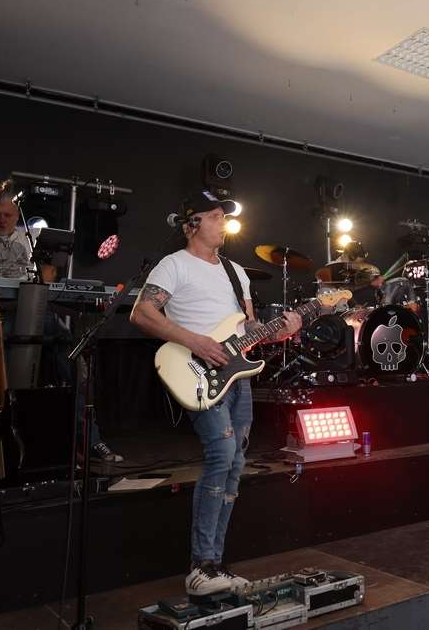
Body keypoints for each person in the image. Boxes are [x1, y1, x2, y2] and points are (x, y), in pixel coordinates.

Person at [130, 189, 302, 596]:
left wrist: (282, 330)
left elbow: (249, 330)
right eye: (215, 216)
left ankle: (214, 565)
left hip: (236, 375)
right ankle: (200, 565)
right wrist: (197, 342)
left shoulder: (235, 271)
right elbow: (141, 313)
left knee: (236, 462)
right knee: (222, 453)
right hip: (195, 371)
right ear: (192, 224)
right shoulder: (174, 265)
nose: (224, 222)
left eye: (224, 216)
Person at [0, 181, 124, 463]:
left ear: (17, 213)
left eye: (7, 215)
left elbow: (47, 278)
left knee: (75, 363)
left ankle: (89, 440)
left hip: (35, 309)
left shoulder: (30, 238)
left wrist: (47, 268)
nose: (1, 220)